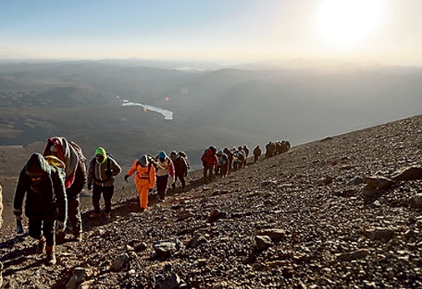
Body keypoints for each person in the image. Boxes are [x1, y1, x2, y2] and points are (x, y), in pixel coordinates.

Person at [13, 153, 67, 265]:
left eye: (37, 177)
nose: (34, 179)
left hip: (50, 206)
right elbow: (20, 191)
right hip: (33, 206)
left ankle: (50, 252)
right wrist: (17, 209)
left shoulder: (54, 173)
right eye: (32, 177)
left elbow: (62, 197)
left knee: (50, 230)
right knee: (33, 232)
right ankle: (41, 240)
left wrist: (62, 218)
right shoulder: (25, 174)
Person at [43, 137, 87, 242]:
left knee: (73, 211)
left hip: (72, 190)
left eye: (56, 154)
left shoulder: (75, 162)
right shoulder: (50, 162)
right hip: (58, 192)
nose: (54, 156)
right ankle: (59, 236)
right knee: (58, 213)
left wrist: (70, 193)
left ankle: (77, 233)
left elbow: (82, 179)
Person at [87, 147, 121, 219]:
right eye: (98, 157)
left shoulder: (109, 161)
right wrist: (89, 182)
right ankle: (97, 212)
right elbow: (91, 173)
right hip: (97, 184)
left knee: (107, 199)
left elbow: (118, 169)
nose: (99, 159)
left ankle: (107, 212)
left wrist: (111, 174)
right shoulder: (94, 162)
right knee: (95, 199)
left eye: (101, 157)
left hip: (108, 184)